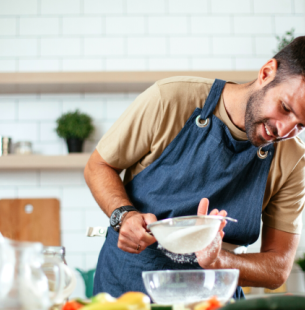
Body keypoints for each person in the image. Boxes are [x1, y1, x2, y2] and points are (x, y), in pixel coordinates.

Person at [84, 36, 305, 299]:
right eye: (284, 108)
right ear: (267, 72)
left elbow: (277, 268)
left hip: (212, 297)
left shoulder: (294, 159)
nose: (284, 130)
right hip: (128, 288)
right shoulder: (170, 99)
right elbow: (98, 165)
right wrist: (124, 215)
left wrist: (217, 260)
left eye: (301, 125)